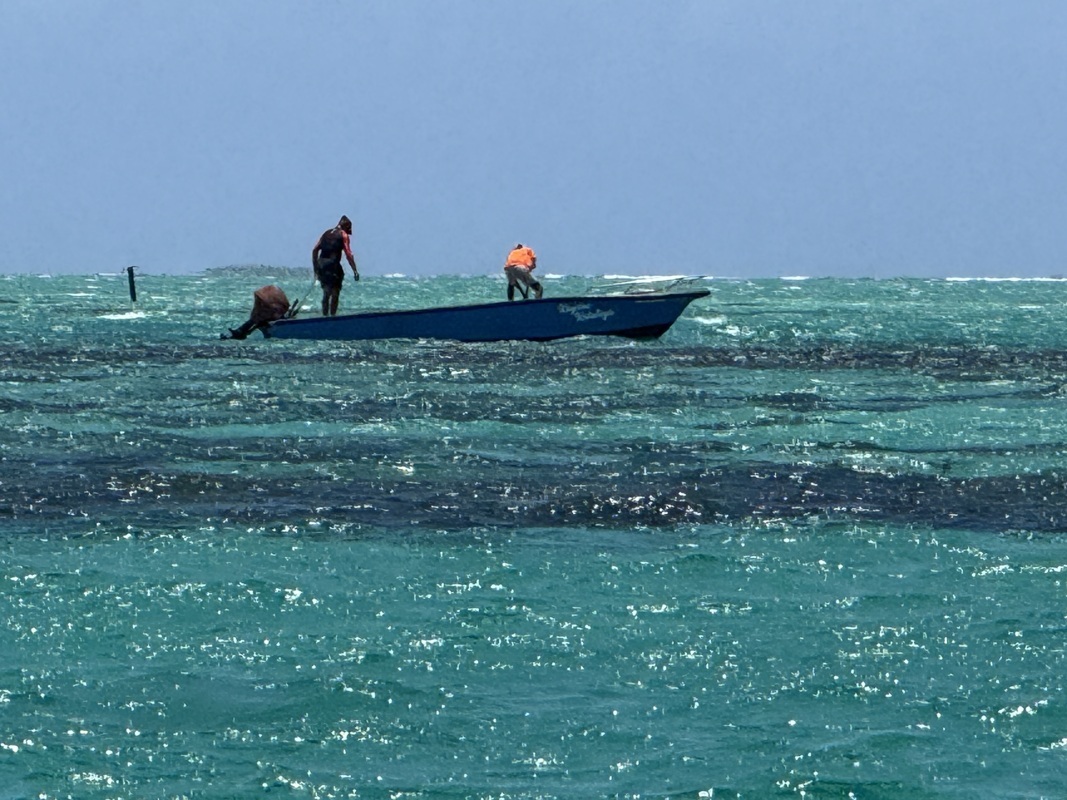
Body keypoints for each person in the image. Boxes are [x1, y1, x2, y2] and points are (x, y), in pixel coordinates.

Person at [312, 215, 359, 315]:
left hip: (322, 264)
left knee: (326, 292)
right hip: (333, 266)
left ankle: (324, 316)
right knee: (335, 293)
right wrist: (355, 270)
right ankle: (332, 316)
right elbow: (348, 253)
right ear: (345, 226)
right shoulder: (343, 235)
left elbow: (315, 250)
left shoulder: (326, 233)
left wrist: (316, 268)